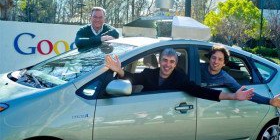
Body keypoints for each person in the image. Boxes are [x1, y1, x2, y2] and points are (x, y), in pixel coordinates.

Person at [105, 48, 254, 102]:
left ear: (175, 64)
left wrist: (233, 96)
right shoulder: (149, 73)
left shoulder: (179, 78)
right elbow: (132, 78)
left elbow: (201, 91)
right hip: (148, 112)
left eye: (171, 62)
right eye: (164, 60)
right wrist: (119, 70)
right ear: (159, 60)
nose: (167, 65)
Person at [200, 44, 280, 109]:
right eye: (214, 58)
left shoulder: (225, 77)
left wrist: (269, 101)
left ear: (224, 63)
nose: (216, 61)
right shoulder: (198, 68)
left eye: (220, 59)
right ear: (209, 58)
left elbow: (246, 93)